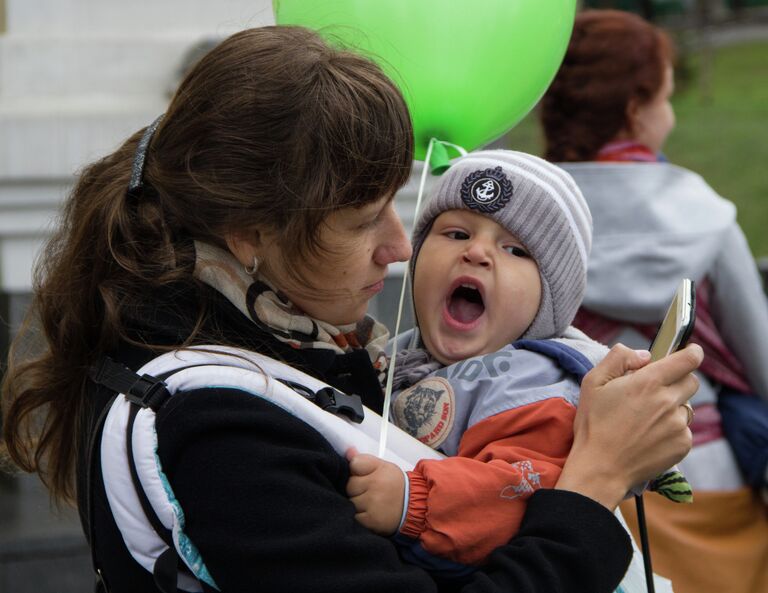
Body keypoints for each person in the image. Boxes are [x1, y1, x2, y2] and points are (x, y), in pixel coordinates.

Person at [0, 25, 701, 593]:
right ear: (254, 235)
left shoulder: (249, 340)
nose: (400, 247)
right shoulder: (217, 431)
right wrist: (596, 479)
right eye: (367, 220)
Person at [346, 149, 689, 580]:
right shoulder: (396, 353)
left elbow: (522, 488)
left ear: (550, 301)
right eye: (455, 234)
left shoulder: (537, 386)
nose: (477, 253)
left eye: (515, 250)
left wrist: (413, 501)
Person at [540, 9, 768, 593]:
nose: (669, 115)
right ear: (635, 108)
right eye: (665, 98)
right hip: (702, 467)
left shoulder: (531, 218)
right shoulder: (708, 216)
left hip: (570, 474)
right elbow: (761, 361)